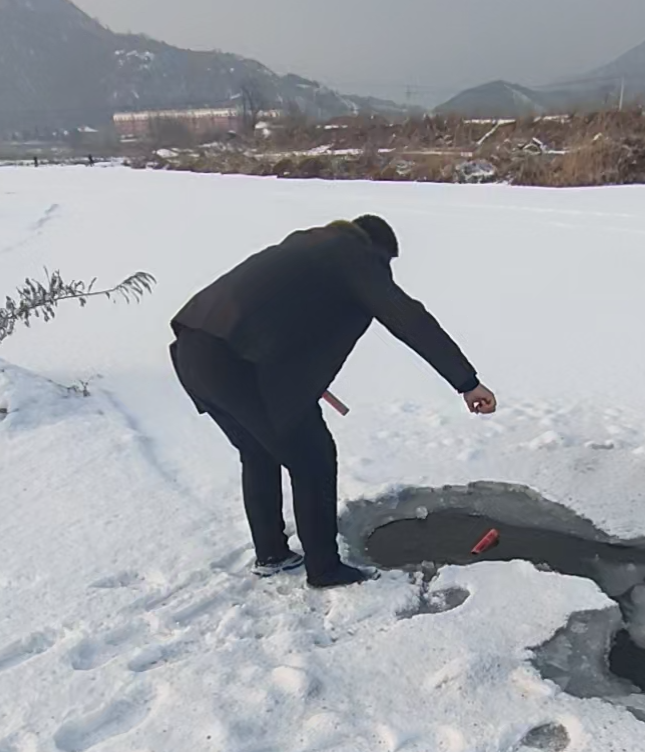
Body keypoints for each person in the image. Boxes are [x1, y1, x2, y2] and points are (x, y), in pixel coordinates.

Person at [170, 214, 496, 588]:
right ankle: (324, 569)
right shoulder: (350, 253)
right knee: (313, 459)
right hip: (240, 366)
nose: (382, 274)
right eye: (384, 265)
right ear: (375, 250)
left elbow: (279, 311)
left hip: (195, 352)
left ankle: (272, 553)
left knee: (259, 452)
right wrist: (466, 382)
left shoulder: (307, 246)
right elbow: (405, 315)